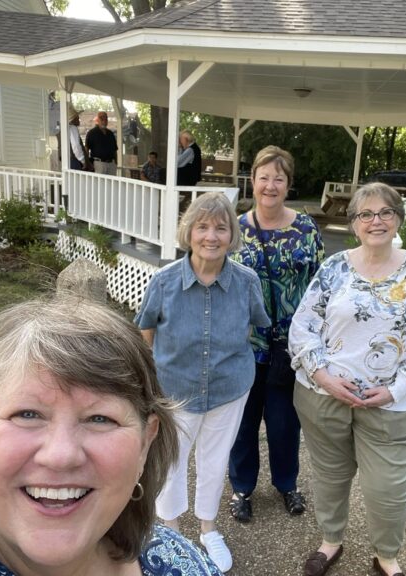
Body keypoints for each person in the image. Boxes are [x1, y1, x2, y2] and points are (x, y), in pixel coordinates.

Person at [0, 297, 223, 576]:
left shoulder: (182, 561)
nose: (60, 455)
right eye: (27, 414)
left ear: (146, 441)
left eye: (100, 418)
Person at [288, 182, 406, 576]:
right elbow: (303, 326)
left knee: (388, 488)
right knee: (330, 476)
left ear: (398, 218)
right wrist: (322, 375)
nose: (377, 221)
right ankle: (331, 541)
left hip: (389, 403)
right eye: (366, 214)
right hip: (323, 396)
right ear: (354, 224)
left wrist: (395, 389)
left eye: (386, 212)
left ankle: (387, 556)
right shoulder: (334, 268)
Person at [135, 192, 270, 573]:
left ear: (232, 235)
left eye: (221, 227)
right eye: (203, 226)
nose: (211, 236)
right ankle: (171, 532)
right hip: (175, 389)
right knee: (171, 462)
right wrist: (151, 372)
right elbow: (144, 326)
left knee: (215, 460)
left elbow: (258, 324)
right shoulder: (164, 282)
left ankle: (208, 528)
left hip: (229, 389)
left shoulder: (246, 281)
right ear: (189, 232)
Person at [227, 145, 324, 524]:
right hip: (244, 346)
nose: (270, 185)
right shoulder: (236, 228)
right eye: (263, 177)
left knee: (285, 422)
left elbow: (318, 286)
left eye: (278, 179)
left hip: (290, 347)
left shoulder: (305, 229)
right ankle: (241, 489)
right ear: (252, 180)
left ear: (288, 184)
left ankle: (287, 484)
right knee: (244, 422)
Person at [85, 111, 118, 175]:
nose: (104, 121)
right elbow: (86, 149)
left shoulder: (110, 134)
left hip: (111, 164)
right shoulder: (91, 133)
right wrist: (87, 163)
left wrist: (116, 163)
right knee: (99, 184)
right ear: (98, 120)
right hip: (98, 164)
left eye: (106, 119)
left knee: (111, 184)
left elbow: (115, 149)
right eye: (102, 119)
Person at [68, 106, 91, 171]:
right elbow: (76, 145)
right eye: (77, 118)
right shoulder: (72, 128)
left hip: (69, 161)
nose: (79, 119)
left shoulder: (66, 129)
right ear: (73, 119)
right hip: (75, 161)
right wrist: (83, 160)